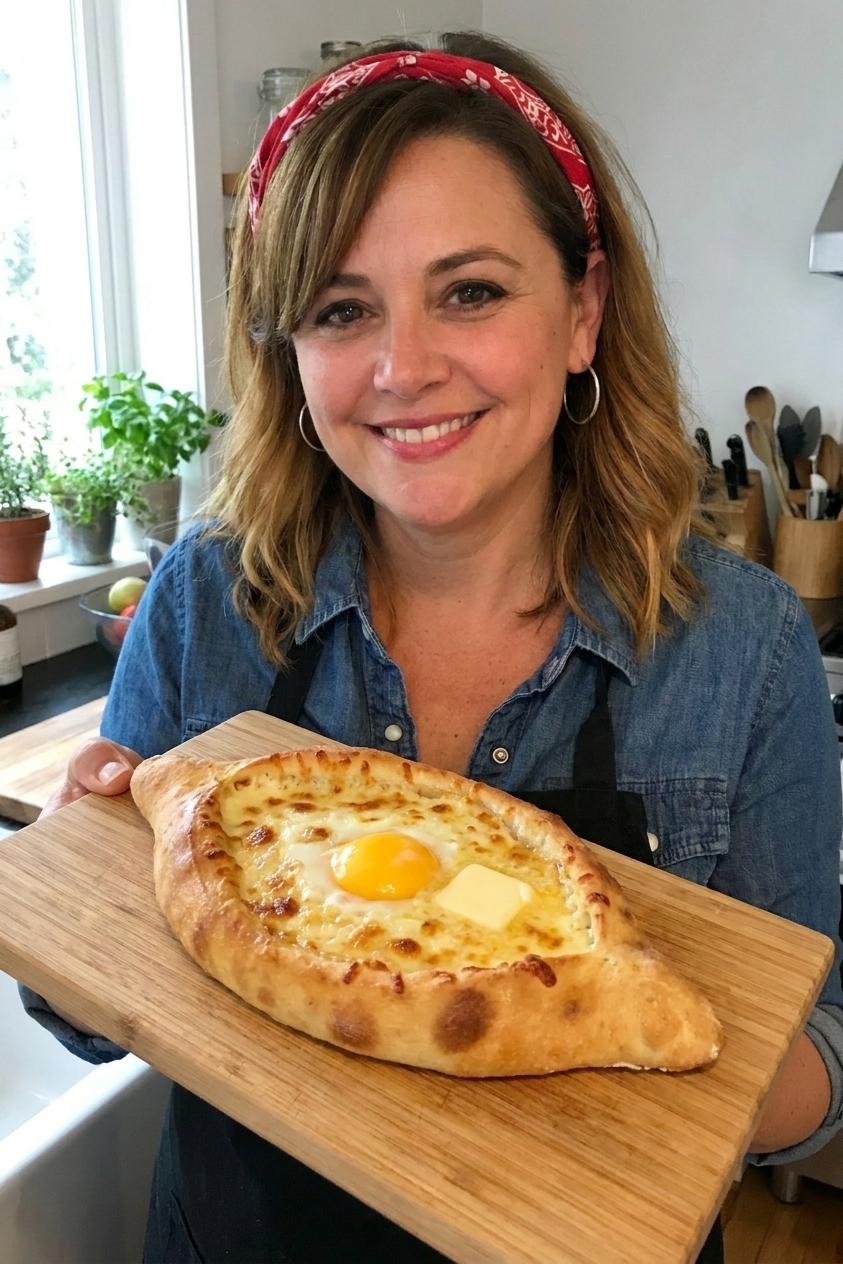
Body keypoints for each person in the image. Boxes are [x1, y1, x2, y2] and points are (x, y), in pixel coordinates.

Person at [23, 29, 843, 1264]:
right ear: (289, 356)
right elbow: (89, 1021)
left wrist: (609, 1036)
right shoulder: (202, 596)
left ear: (583, 311)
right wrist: (87, 883)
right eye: (343, 309)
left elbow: (824, 1051)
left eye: (471, 290)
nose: (405, 367)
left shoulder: (747, 645)